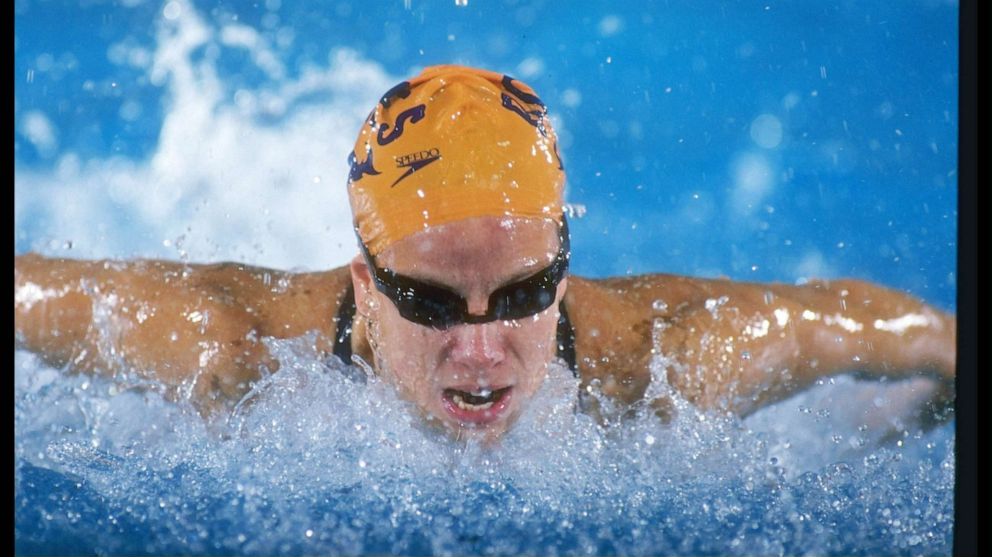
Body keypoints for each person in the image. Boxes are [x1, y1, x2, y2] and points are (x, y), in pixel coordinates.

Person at [14, 65, 955, 443]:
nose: (479, 351)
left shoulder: (674, 361)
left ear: (564, 264)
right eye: (427, 302)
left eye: (521, 293)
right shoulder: (235, 350)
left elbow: (923, 338)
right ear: (362, 282)